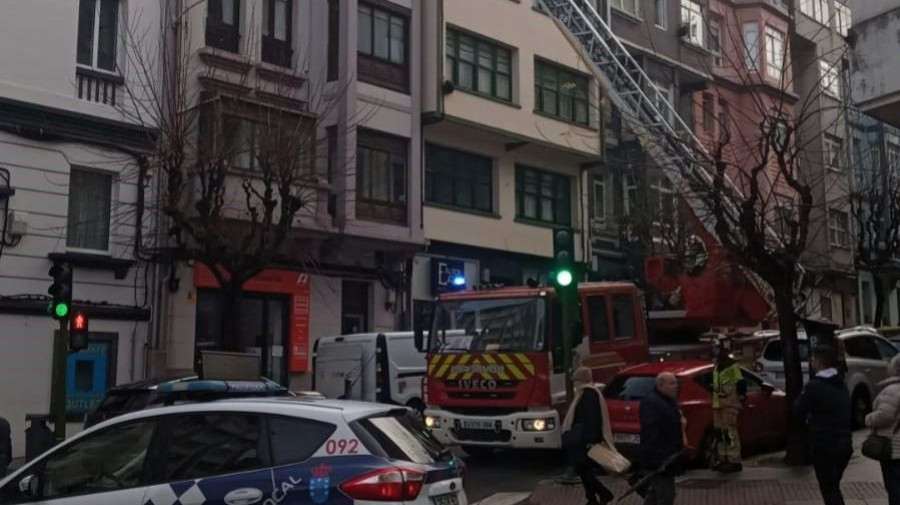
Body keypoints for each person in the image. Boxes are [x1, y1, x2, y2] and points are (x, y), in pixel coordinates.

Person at [796, 345, 853, 505]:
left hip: (824, 445)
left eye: (812, 359)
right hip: (844, 445)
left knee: (829, 489)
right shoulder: (841, 384)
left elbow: (798, 409)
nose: (811, 363)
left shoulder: (814, 386)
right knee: (833, 486)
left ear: (819, 362)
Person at [562, 367, 614, 505]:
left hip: (585, 440)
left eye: (576, 381)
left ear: (581, 380)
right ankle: (593, 498)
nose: (575, 384)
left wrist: (591, 440)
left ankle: (601, 495)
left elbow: (592, 419)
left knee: (583, 469)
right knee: (584, 470)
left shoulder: (588, 395)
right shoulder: (586, 393)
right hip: (583, 439)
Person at [639, 372, 683, 505]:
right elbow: (651, 433)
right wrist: (658, 459)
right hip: (660, 458)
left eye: (675, 383)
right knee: (666, 495)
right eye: (672, 383)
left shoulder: (667, 401)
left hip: (667, 456)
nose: (676, 386)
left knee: (655, 493)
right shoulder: (652, 403)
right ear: (660, 385)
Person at [865, 354, 900, 505]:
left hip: (894, 449)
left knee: (895, 488)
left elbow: (885, 415)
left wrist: (869, 418)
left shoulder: (893, 390)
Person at [711, 335, 747, 473]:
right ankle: (723, 458)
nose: (714, 350)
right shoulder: (717, 365)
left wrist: (741, 395)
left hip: (729, 404)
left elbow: (740, 382)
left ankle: (734, 460)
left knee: (729, 432)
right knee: (719, 432)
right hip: (718, 404)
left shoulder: (731, 365)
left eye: (716, 348)